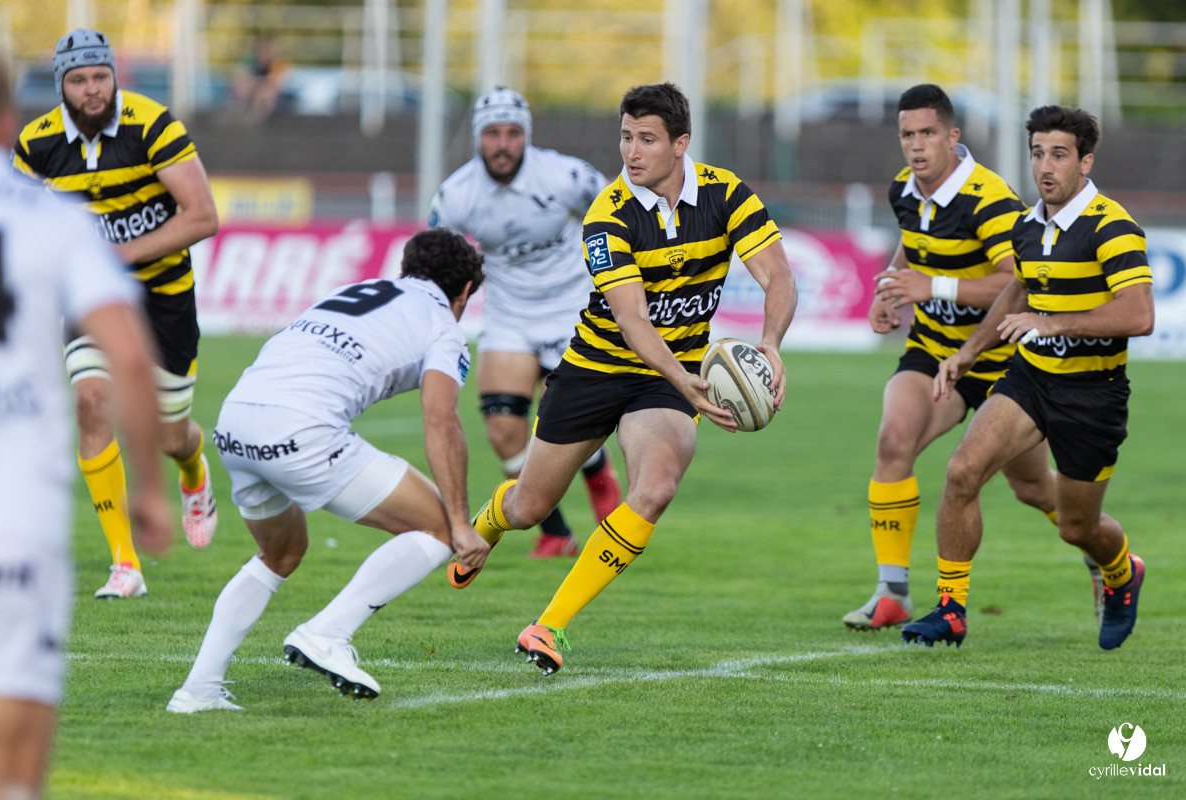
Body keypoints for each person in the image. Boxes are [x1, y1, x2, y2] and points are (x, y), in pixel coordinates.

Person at [465, 82, 797, 675]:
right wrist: (691, 379)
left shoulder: (726, 194)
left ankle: (549, 626)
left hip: (663, 385)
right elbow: (632, 319)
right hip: (596, 368)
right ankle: (487, 523)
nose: (631, 152)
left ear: (680, 144)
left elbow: (779, 277)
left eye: (646, 139)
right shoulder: (607, 214)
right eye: (625, 137)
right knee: (528, 507)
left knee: (657, 487)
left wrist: (770, 345)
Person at [167, 229, 489, 712]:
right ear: (463, 292)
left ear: (406, 268)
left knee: (280, 553)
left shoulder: (351, 293)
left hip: (235, 421)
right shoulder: (444, 324)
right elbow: (441, 419)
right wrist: (464, 525)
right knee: (439, 526)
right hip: (302, 429)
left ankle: (198, 690)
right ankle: (327, 633)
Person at [0, 45, 172, 799]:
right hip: (13, 508)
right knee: (13, 770)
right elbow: (128, 358)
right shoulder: (53, 216)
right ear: (10, 118)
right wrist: (150, 489)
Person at [902, 105, 1153, 650]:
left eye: (1059, 154)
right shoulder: (1027, 224)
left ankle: (1121, 571)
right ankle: (950, 609)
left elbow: (1139, 315)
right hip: (1031, 381)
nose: (1045, 166)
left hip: (1093, 396)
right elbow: (1017, 290)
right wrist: (969, 351)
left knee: (1076, 527)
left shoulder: (1113, 227)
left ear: (1085, 162)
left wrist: (1049, 321)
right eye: (1038, 153)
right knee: (963, 471)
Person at [842, 84, 1064, 633]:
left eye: (928, 134)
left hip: (999, 361)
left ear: (953, 136)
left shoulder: (990, 200)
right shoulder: (904, 189)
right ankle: (891, 592)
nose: (916, 147)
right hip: (933, 351)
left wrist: (933, 285)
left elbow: (1019, 284)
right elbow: (910, 246)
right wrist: (888, 291)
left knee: (1032, 488)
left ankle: (1099, 545)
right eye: (907, 135)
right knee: (894, 439)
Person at [12, 29, 221, 599]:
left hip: (164, 297)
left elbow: (202, 216)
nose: (92, 89)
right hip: (90, 300)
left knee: (167, 437)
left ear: (113, 76)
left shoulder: (153, 125)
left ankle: (194, 472)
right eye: (79, 80)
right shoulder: (37, 144)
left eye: (100, 76)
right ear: (62, 86)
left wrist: (120, 255)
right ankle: (125, 564)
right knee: (91, 401)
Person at [430, 87, 622, 561]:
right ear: (479, 138)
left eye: (512, 133)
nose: (502, 144)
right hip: (509, 315)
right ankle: (555, 531)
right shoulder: (456, 194)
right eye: (492, 134)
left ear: (526, 137)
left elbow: (622, 211)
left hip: (574, 309)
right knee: (502, 429)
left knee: (573, 423)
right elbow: (435, 261)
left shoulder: (565, 175)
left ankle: (599, 476)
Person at [228, 34, 292, 122]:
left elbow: (276, 84)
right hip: (253, 93)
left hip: (274, 97)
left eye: (269, 50)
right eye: (263, 50)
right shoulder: (251, 61)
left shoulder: (281, 64)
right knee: (242, 89)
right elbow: (237, 79)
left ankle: (254, 121)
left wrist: (256, 83)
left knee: (265, 93)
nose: (265, 53)